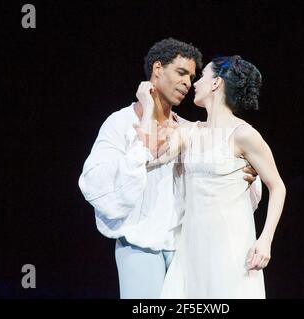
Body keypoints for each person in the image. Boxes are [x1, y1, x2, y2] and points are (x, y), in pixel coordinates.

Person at [78, 39, 261, 299]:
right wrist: (143, 139)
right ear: (157, 69)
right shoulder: (120, 123)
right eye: (181, 72)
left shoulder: (189, 129)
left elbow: (220, 174)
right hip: (140, 246)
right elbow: (95, 183)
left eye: (193, 76)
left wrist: (247, 173)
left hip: (184, 249)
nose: (188, 82)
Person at [136, 55, 286, 298]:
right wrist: (148, 106)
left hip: (232, 245)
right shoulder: (189, 133)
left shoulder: (244, 134)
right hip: (193, 246)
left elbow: (277, 187)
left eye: (202, 76)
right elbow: (148, 157)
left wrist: (265, 239)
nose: (195, 83)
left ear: (216, 83)